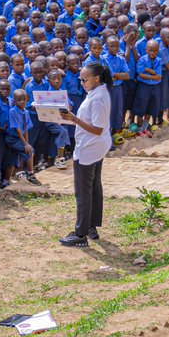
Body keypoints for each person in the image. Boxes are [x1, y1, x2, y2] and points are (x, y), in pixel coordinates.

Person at [58, 63, 113, 247]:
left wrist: (73, 119)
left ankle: (80, 233)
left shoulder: (97, 98)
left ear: (96, 78)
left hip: (90, 148)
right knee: (94, 186)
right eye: (80, 79)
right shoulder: (97, 93)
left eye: (84, 79)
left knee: (83, 191)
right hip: (96, 147)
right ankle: (91, 226)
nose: (82, 83)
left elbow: (97, 128)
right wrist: (72, 117)